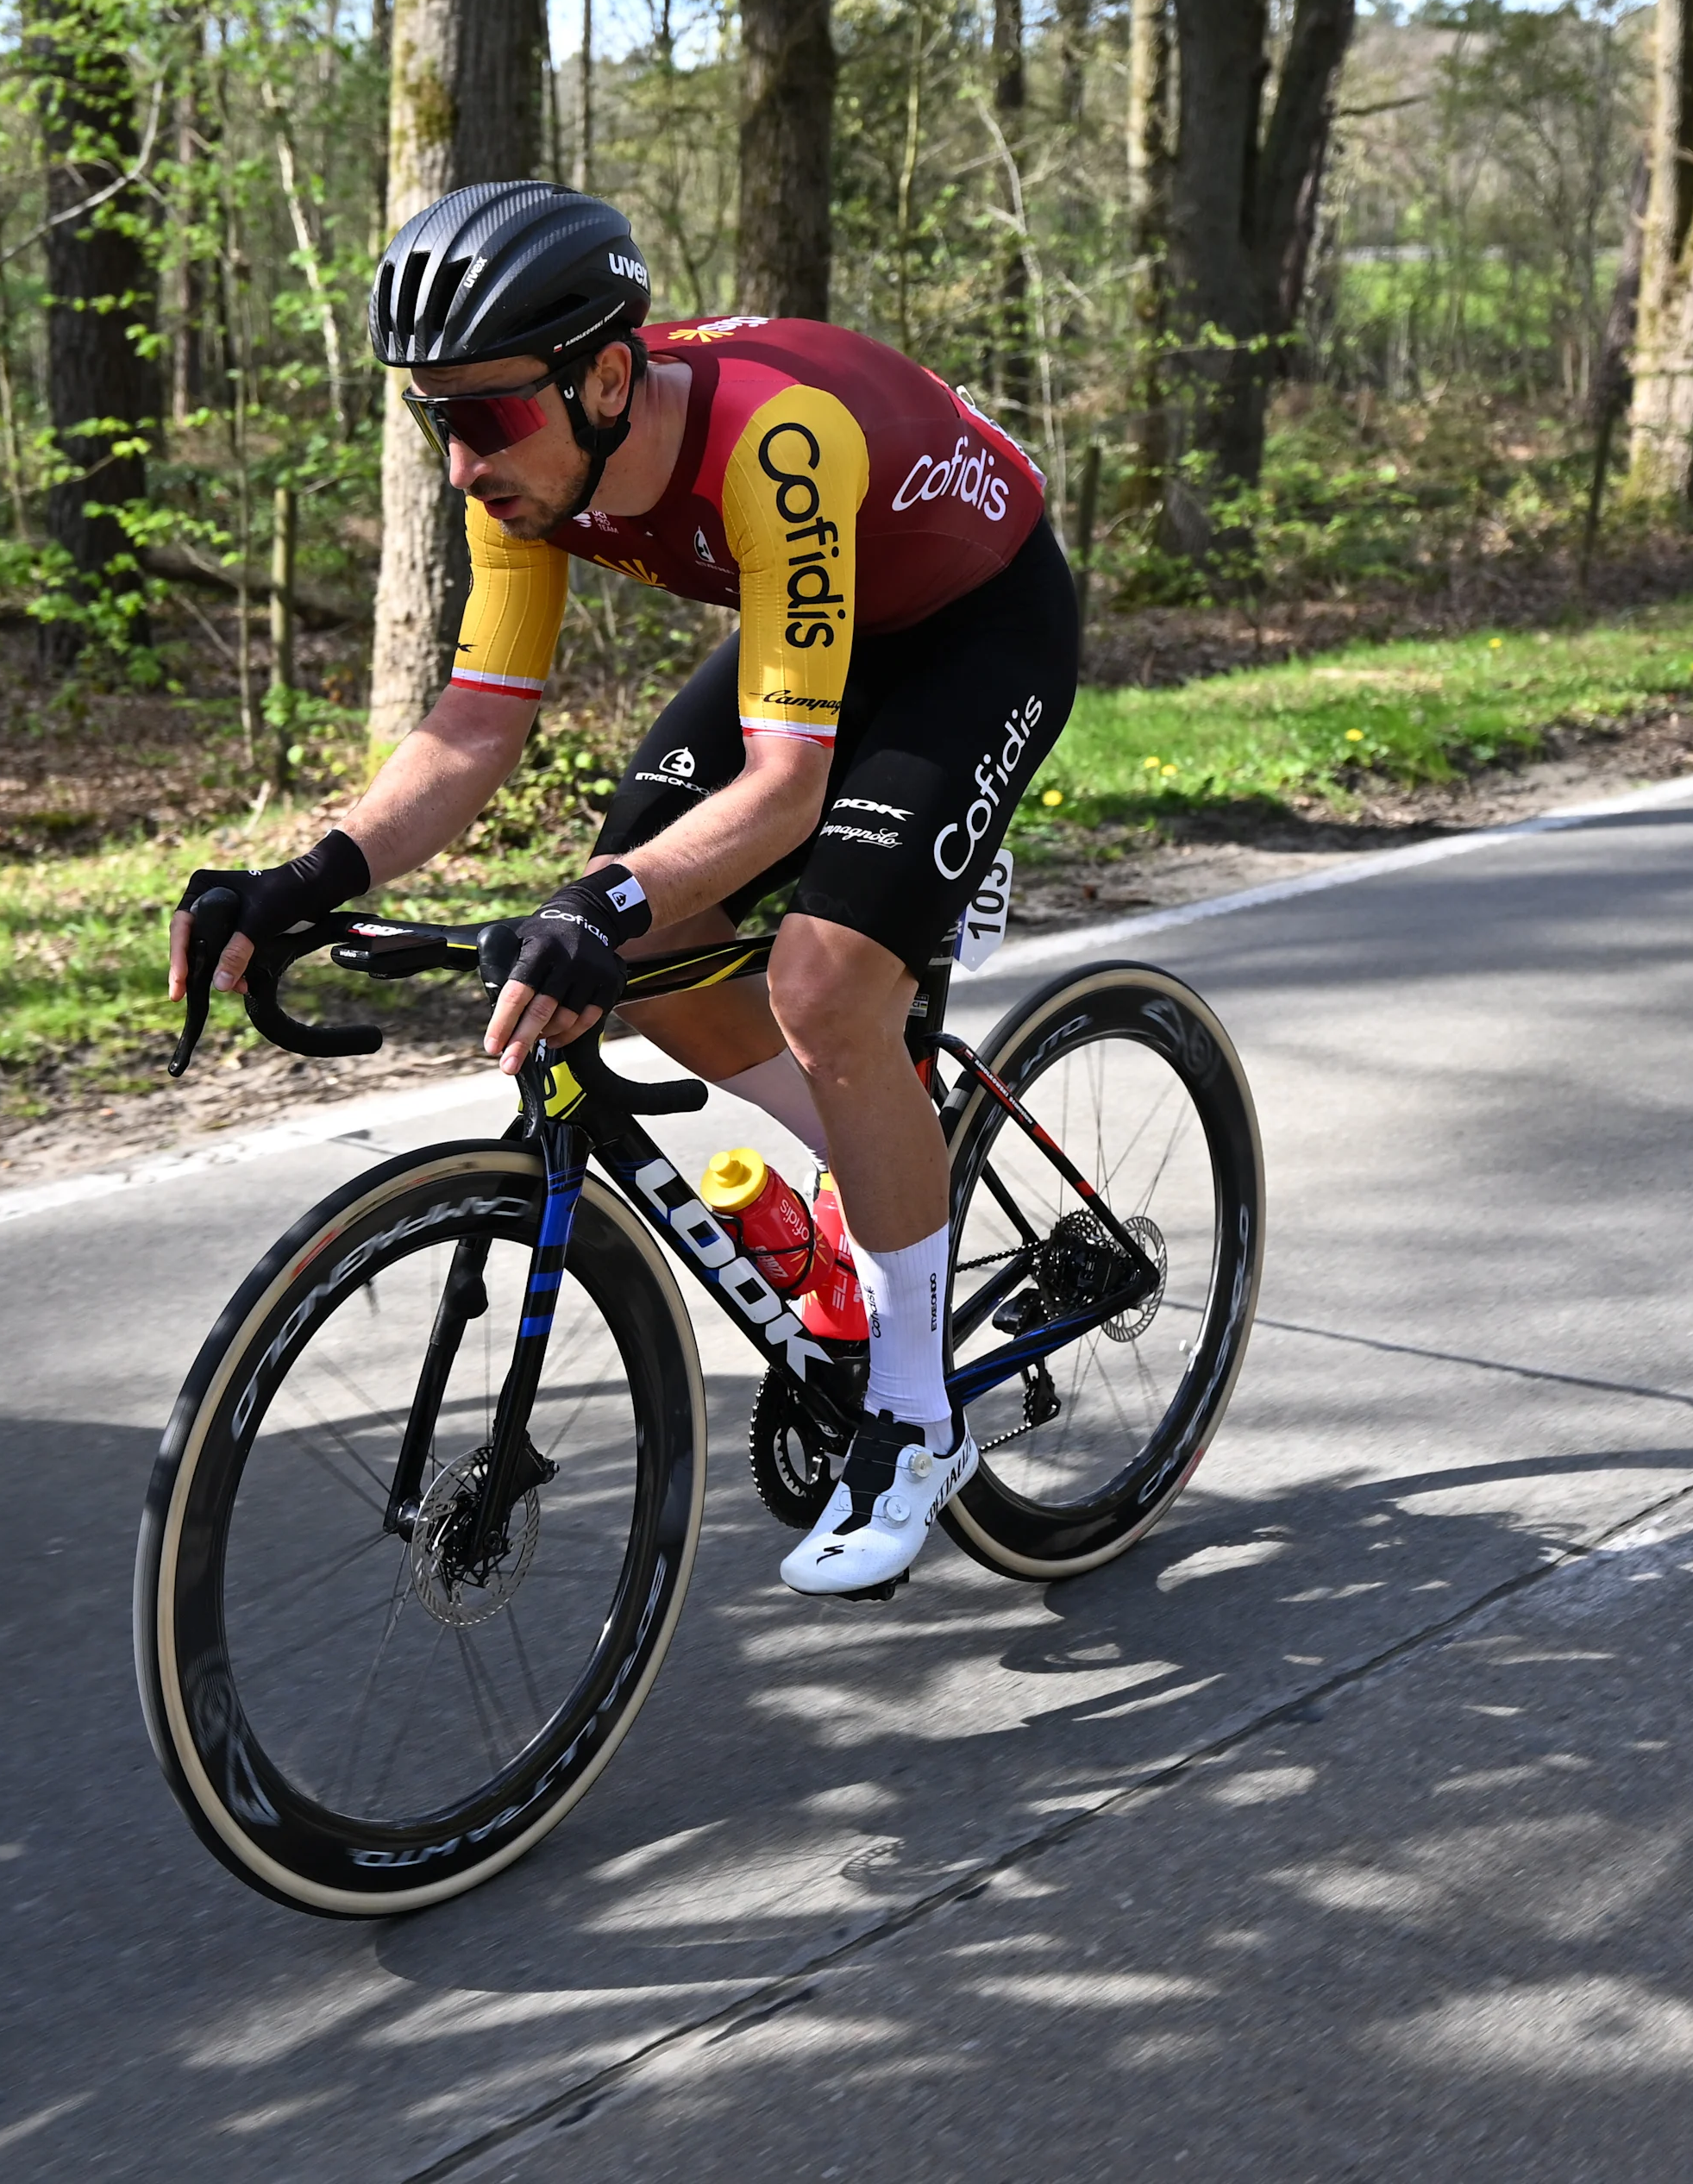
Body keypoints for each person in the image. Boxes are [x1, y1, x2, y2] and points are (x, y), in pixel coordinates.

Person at [166, 180, 1076, 1600]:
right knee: (643, 928)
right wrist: (306, 877)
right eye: (431, 420)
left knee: (817, 979)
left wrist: (607, 913)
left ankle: (913, 1420)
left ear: (603, 377)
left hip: (976, 627)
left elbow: (780, 786)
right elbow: (473, 727)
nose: (458, 464)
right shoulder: (526, 473)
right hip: (818, 620)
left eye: (480, 419)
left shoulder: (771, 437)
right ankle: (882, 1146)